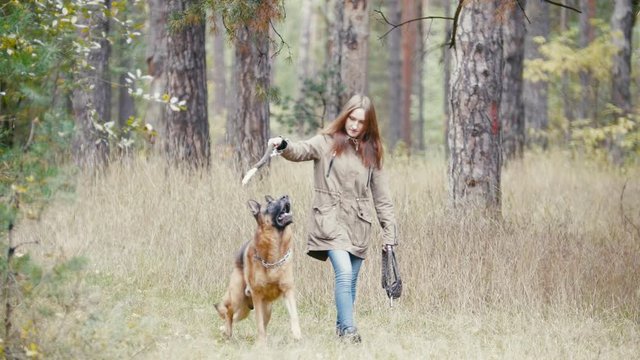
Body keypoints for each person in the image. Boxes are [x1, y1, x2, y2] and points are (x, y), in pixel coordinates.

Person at [267, 94, 398, 343]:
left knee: (351, 282)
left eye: (361, 121)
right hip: (329, 220)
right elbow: (300, 150)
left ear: (368, 125)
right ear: (345, 116)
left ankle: (341, 329)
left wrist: (389, 235)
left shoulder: (373, 152)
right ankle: (349, 330)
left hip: (359, 225)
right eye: (351, 118)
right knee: (344, 274)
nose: (354, 125)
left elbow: (382, 198)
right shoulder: (325, 142)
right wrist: (283, 144)